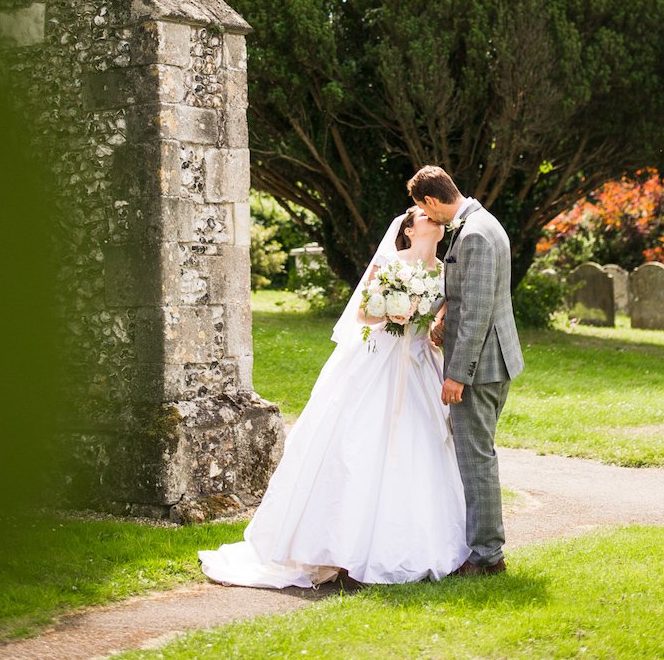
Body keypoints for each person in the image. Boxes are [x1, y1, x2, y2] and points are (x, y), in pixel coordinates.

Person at [199, 206, 469, 587]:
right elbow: (362, 315)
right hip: (378, 362)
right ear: (408, 229)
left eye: (433, 214)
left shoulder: (443, 273)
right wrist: (393, 314)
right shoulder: (391, 262)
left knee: (420, 446)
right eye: (422, 214)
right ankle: (337, 548)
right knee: (356, 445)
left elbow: (438, 324)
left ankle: (415, 542)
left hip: (421, 364)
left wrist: (434, 329)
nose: (433, 219)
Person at [408, 165, 524, 576]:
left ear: (433, 202)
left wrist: (457, 374)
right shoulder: (482, 223)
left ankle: (487, 557)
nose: (426, 215)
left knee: (476, 459)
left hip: (481, 366)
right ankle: (485, 549)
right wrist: (443, 322)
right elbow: (471, 298)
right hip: (495, 358)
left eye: (423, 208)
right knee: (479, 455)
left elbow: (476, 313)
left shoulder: (473, 235)